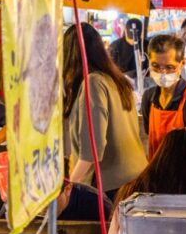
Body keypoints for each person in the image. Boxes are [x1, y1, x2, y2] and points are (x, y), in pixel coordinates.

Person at [62, 23, 148, 195]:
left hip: (110, 186)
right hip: (135, 178)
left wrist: (68, 187)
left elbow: (92, 150)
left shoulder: (93, 83)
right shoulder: (116, 80)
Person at [137, 33, 186, 156]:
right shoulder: (148, 97)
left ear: (182, 64)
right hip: (154, 172)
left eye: (169, 67)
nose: (162, 72)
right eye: (156, 66)